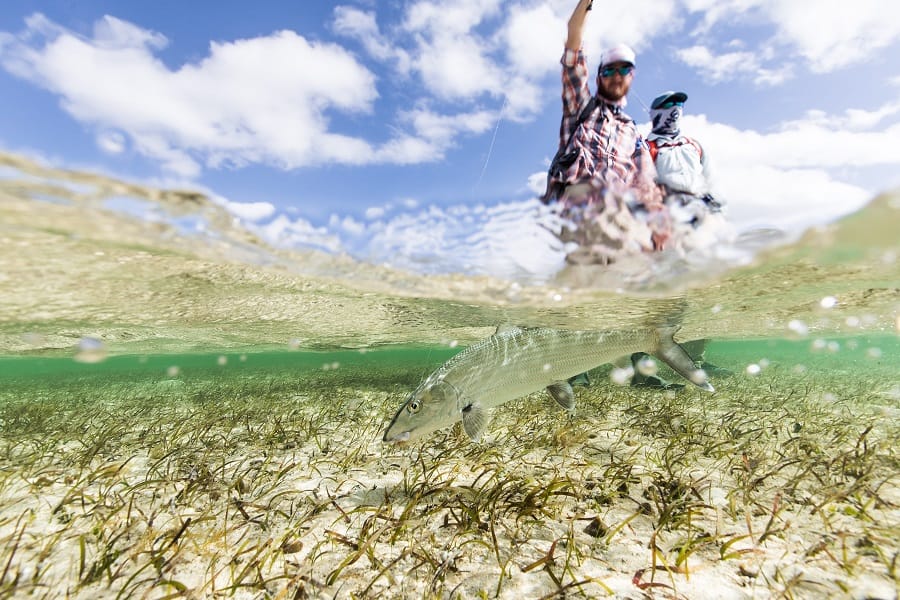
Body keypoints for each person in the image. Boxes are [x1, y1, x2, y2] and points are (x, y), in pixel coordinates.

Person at [543, 0, 670, 262]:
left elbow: (646, 183)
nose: (616, 74)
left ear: (632, 76)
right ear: (599, 77)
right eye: (609, 69)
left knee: (641, 280)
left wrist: (659, 221)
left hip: (622, 215)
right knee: (587, 287)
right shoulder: (580, 106)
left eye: (624, 69)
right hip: (580, 210)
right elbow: (573, 46)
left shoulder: (633, 132)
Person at [646, 90, 724, 229]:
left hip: (700, 209)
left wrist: (714, 202)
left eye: (679, 103)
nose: (675, 107)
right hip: (668, 215)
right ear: (655, 112)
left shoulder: (694, 145)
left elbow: (711, 179)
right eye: (669, 103)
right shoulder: (646, 148)